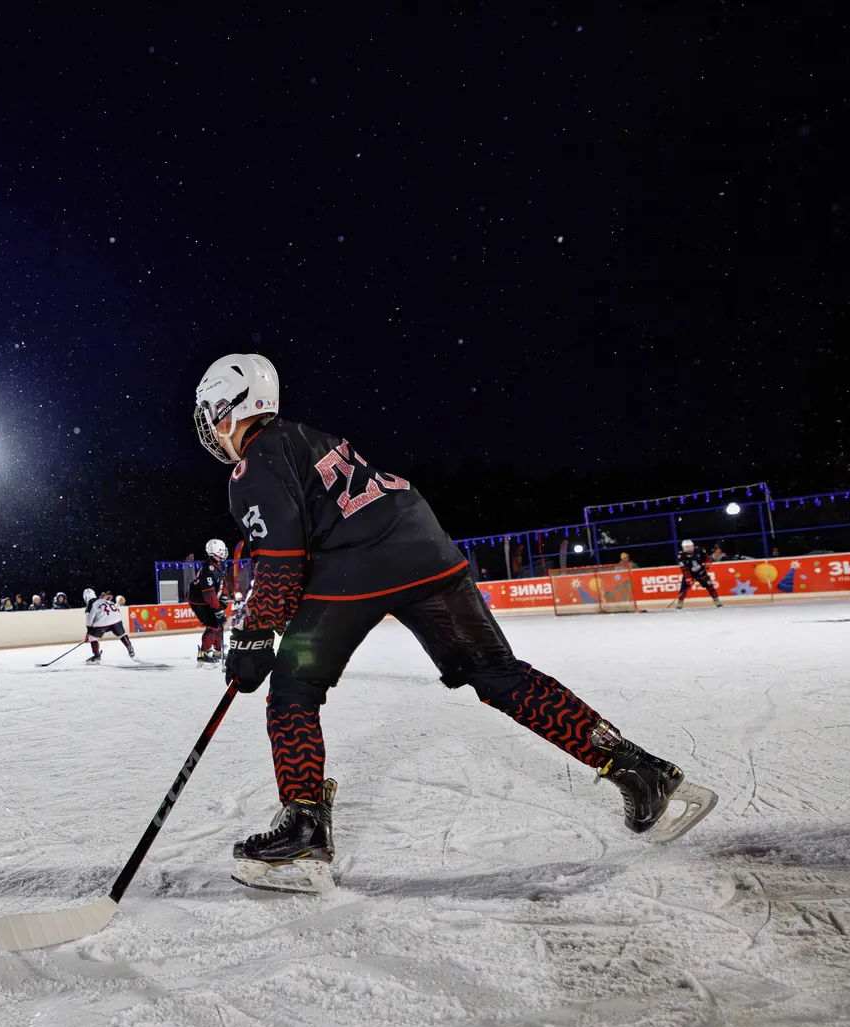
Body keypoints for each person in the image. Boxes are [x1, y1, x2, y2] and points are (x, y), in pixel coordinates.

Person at [193, 353, 711, 892]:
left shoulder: (253, 463)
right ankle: (639, 770)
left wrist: (254, 632)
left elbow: (280, 557)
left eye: (213, 413)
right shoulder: (312, 438)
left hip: (355, 566)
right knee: (501, 675)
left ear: (232, 408)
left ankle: (303, 829)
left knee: (294, 685)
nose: (212, 427)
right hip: (425, 547)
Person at [190, 539, 230, 665]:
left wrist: (223, 597)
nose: (224, 553)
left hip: (205, 600)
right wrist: (217, 609)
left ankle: (218, 651)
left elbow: (222, 583)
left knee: (218, 623)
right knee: (213, 624)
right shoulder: (209, 568)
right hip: (199, 601)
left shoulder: (217, 565)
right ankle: (204, 653)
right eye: (222, 551)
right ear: (215, 552)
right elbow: (208, 593)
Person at [82, 587, 136, 663]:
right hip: (116, 618)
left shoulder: (90, 604)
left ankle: (97, 655)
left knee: (92, 637)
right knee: (122, 635)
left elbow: (89, 620)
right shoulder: (103, 600)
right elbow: (116, 609)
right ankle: (130, 647)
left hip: (103, 622)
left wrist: (88, 633)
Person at [674, 540, 723, 609]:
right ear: (683, 548)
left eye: (690, 546)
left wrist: (708, 563)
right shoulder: (681, 556)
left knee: (710, 586)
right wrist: (688, 579)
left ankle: (717, 601)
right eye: (687, 547)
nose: (689, 548)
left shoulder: (699, 551)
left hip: (701, 572)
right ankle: (680, 604)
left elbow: (706, 558)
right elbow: (685, 569)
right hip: (689, 574)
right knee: (683, 589)